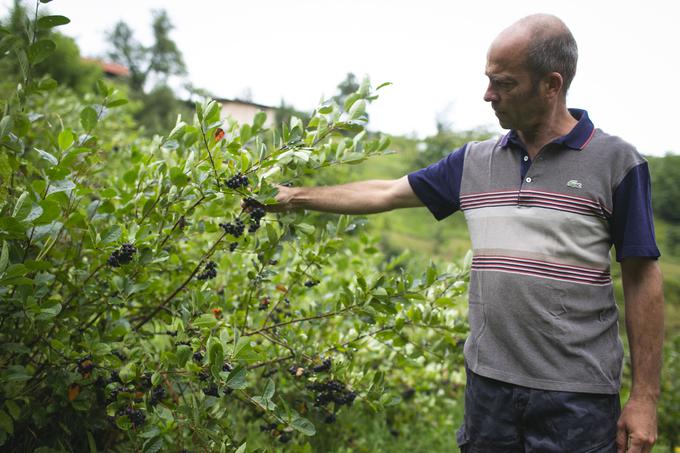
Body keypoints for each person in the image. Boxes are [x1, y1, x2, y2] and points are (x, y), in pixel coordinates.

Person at [272, 14, 664, 453]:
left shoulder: (617, 162)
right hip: (488, 390)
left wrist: (645, 397)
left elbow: (641, 278)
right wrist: (292, 197)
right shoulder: (474, 162)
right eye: (488, 79)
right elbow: (384, 192)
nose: (488, 95)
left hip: (577, 398)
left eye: (505, 84)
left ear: (552, 86)